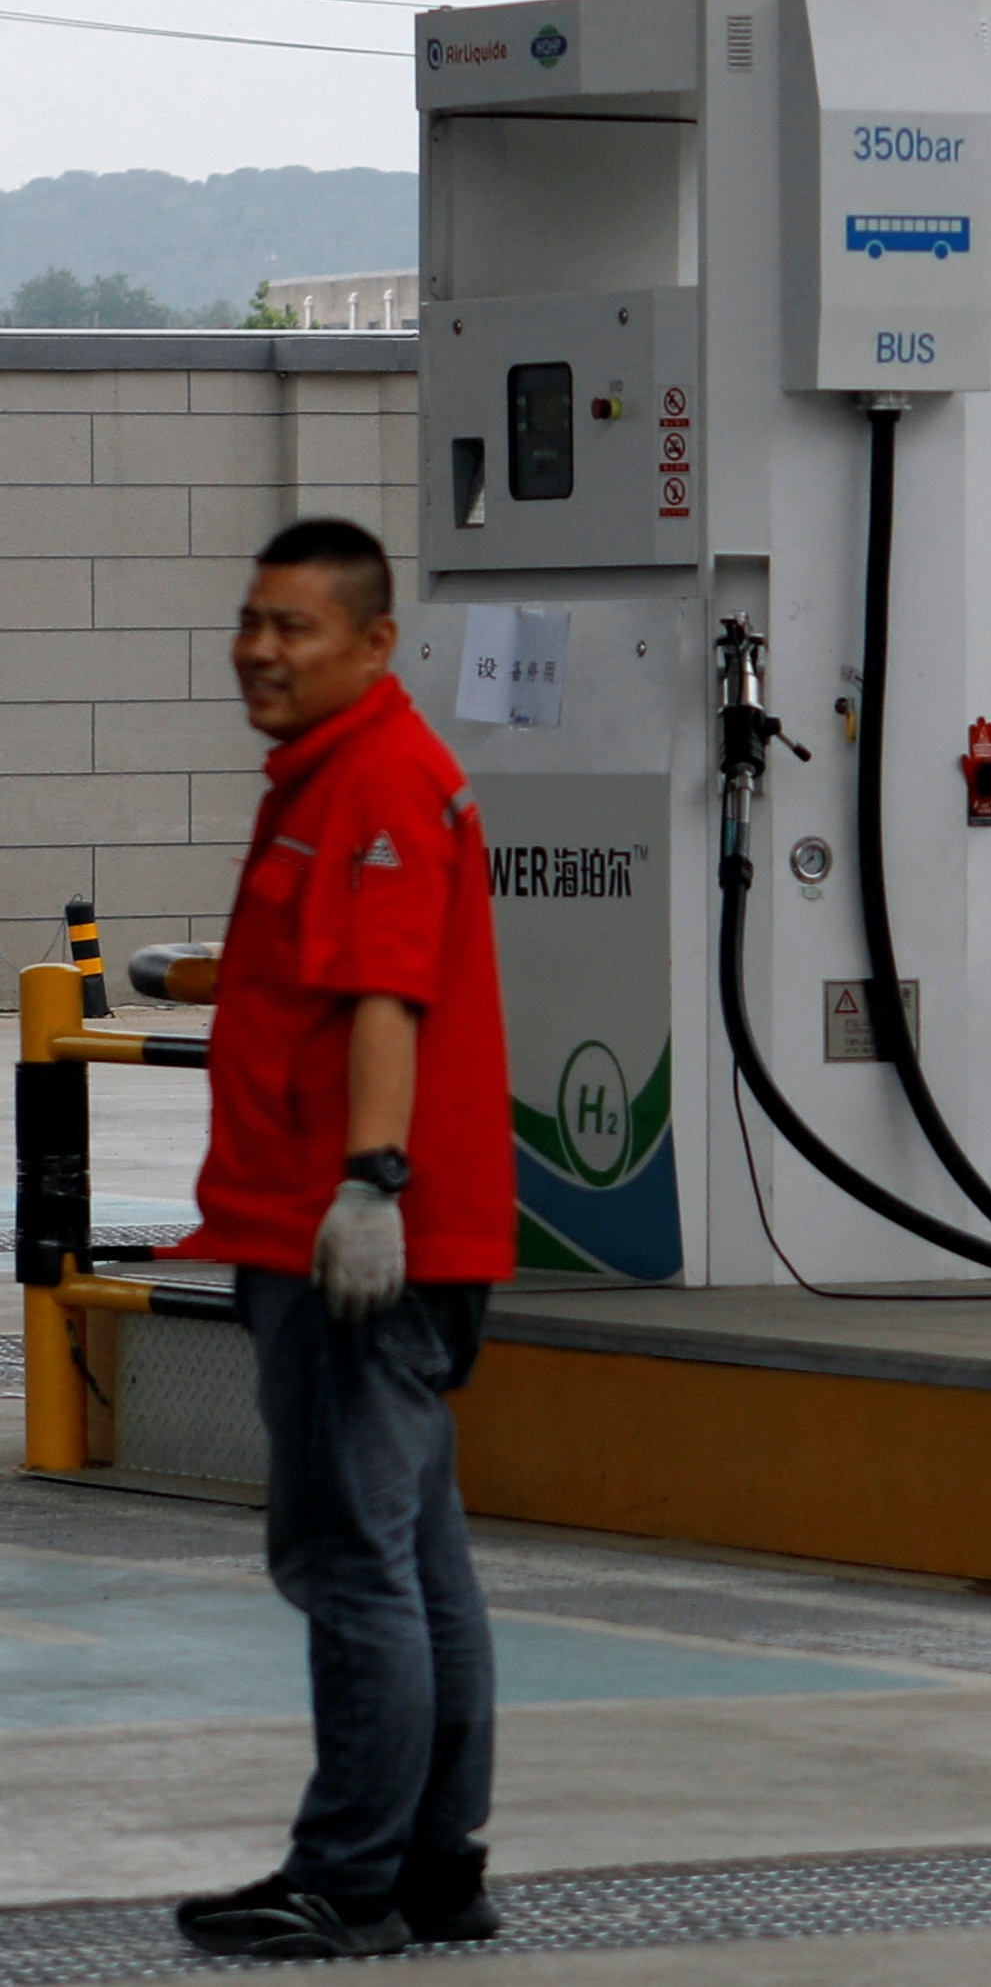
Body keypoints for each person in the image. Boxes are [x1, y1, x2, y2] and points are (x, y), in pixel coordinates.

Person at [171, 519, 510, 1961]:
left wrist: (368, 1186)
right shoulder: (338, 772)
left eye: (294, 627)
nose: (260, 649)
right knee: (417, 1557)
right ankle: (434, 1866)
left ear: (375, 642)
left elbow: (388, 997)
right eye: (252, 620)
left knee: (348, 1561)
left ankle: (350, 1877)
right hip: (356, 1225)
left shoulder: (374, 776)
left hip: (347, 1237)